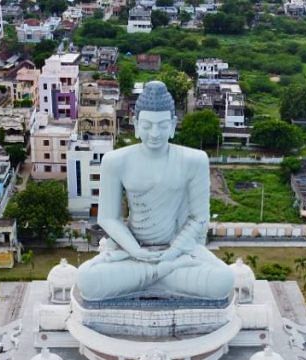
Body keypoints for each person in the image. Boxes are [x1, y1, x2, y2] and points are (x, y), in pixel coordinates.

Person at [76, 81, 233, 302]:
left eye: (162, 125)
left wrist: (173, 252)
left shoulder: (194, 160)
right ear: (136, 124)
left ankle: (151, 277)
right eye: (148, 125)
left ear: (173, 125)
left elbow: (199, 218)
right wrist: (136, 251)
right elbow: (108, 218)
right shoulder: (116, 161)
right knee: (87, 280)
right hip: (134, 253)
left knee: (222, 280)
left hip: (177, 251)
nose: (155, 133)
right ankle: (163, 275)